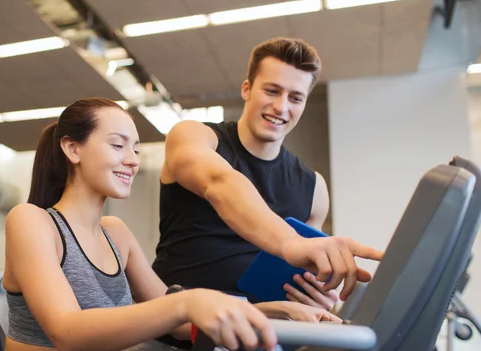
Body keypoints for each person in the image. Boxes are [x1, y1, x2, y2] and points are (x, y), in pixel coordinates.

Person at [0, 97, 337, 351]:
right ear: (72, 148)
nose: (132, 159)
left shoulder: (116, 234)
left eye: (136, 148)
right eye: (117, 144)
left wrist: (275, 312)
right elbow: (69, 334)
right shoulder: (32, 221)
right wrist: (187, 301)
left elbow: (181, 326)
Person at [153, 37, 384, 312]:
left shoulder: (313, 187)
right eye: (272, 91)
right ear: (247, 89)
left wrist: (320, 296)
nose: (281, 107)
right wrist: (291, 244)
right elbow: (220, 184)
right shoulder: (194, 136)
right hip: (171, 331)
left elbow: (306, 278)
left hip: (257, 342)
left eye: (295, 98)